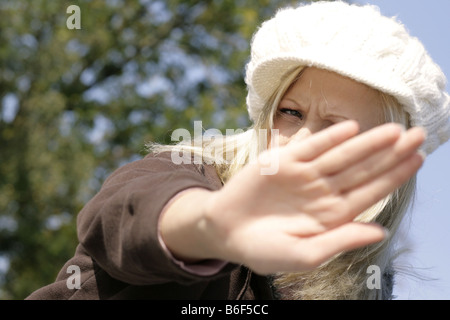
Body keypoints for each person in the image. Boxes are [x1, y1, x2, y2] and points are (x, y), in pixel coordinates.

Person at [27, 1, 449, 300]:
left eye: (337, 130)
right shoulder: (191, 175)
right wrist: (214, 227)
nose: (301, 140)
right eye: (290, 112)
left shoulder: (372, 283)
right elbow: (122, 216)